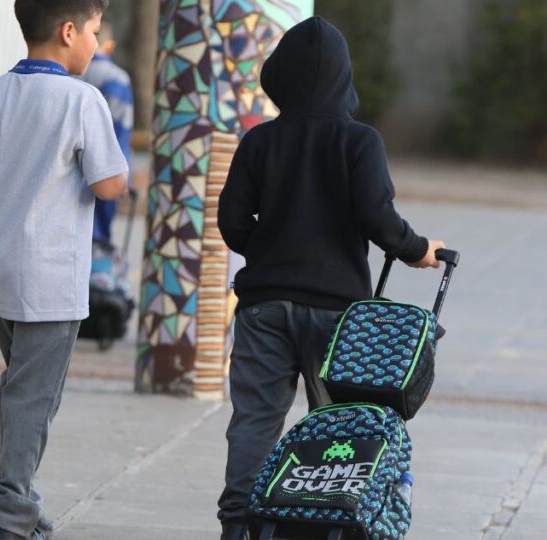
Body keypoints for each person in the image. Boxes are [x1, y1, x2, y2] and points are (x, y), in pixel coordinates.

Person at [215, 16, 444, 540]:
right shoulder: (360, 142)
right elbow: (378, 217)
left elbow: (231, 223)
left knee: (253, 420)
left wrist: (270, 252)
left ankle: (238, 526)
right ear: (345, 80)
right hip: (338, 314)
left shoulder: (259, 142)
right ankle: (330, 521)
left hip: (263, 306)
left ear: (279, 78)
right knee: (341, 424)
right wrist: (417, 252)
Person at [0, 1, 127, 538]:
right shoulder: (82, 100)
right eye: (95, 32)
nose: (98, 44)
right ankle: (10, 513)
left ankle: (25, 503)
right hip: (49, 280)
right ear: (69, 32)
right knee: (32, 397)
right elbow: (110, 185)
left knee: (24, 390)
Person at [78, 20, 134, 244]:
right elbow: (119, 133)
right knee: (96, 243)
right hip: (105, 175)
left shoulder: (69, 74)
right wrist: (124, 177)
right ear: (109, 46)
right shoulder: (117, 79)